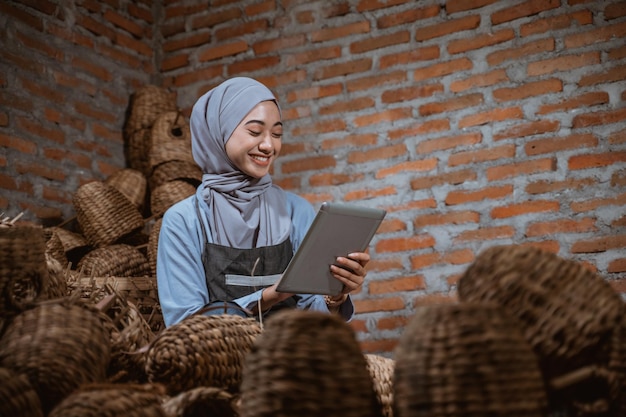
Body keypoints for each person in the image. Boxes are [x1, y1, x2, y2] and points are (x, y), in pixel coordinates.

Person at [156, 77, 370, 327]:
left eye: (277, 133)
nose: (269, 145)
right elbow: (184, 326)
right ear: (218, 131)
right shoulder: (185, 220)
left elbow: (315, 320)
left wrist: (335, 296)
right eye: (255, 131)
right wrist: (268, 297)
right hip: (218, 364)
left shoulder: (296, 211)